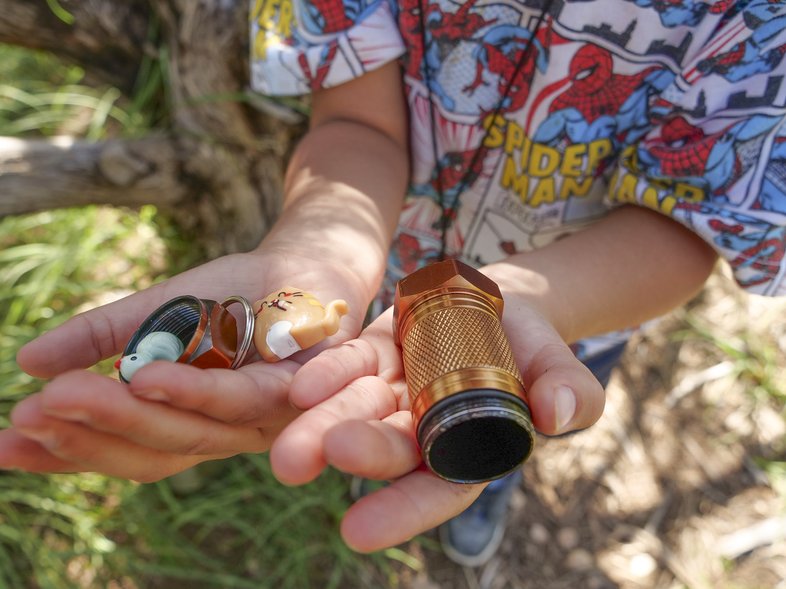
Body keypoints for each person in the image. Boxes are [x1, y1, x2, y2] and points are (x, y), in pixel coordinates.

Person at [1, 0, 783, 569]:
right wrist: (321, 246)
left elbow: (687, 226)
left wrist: (532, 300)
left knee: (520, 409)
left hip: (567, 313)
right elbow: (356, 124)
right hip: (382, 274)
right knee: (397, 418)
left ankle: (489, 475)